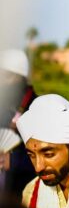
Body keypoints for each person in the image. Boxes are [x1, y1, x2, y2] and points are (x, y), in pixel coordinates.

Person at [0, 49, 36, 198]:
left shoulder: (36, 108)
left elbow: (50, 156)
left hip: (21, 193)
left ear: (20, 77)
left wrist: (14, 161)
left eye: (6, 76)